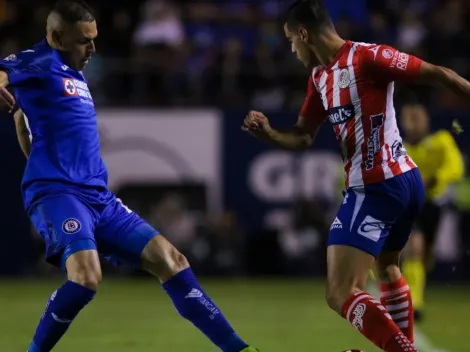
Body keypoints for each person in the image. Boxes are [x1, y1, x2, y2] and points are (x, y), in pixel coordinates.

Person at [0, 1, 258, 352]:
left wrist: (33, 147)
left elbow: (21, 119)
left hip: (98, 197)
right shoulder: (38, 60)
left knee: (173, 260)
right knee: (86, 277)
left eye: (94, 39)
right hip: (59, 193)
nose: (92, 48)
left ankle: (241, 350)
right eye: (83, 40)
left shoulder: (72, 72)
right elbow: (3, 71)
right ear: (57, 36)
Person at [242, 1, 470, 351]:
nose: (291, 48)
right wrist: (270, 134)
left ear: (304, 34)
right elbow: (303, 135)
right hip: (402, 183)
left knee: (340, 292)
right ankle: (403, 345)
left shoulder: (367, 57)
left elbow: (441, 74)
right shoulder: (320, 77)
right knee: (388, 267)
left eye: (291, 39)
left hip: (378, 187)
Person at [400, 103, 464, 320]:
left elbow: (456, 166)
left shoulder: (441, 141)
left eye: (418, 117)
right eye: (411, 118)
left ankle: (405, 290)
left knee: (425, 257)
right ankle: (413, 304)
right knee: (414, 248)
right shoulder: (398, 148)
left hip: (433, 206)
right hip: (410, 206)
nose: (415, 123)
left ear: (427, 120)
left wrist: (438, 178)